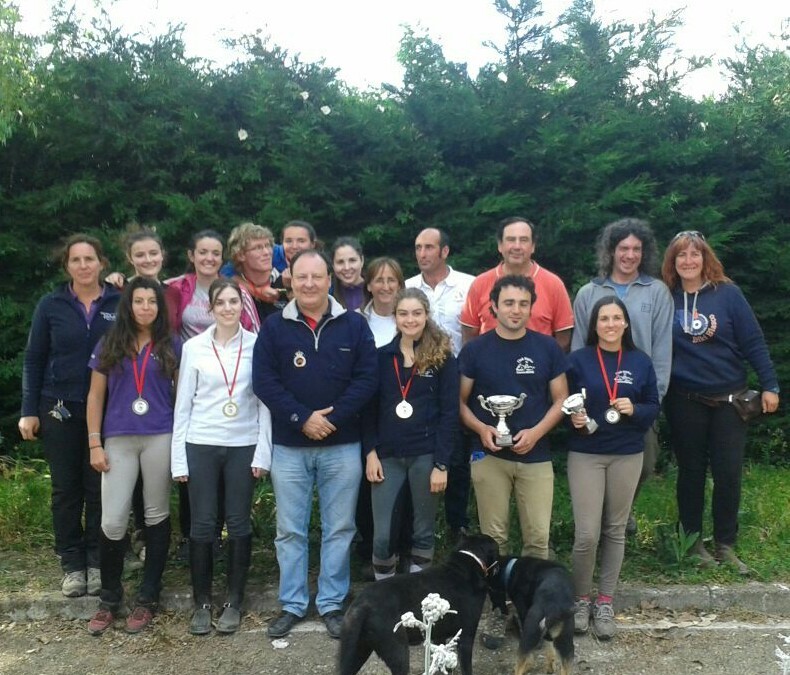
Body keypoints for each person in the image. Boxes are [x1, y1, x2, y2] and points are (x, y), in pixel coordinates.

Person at [253, 249, 378, 640]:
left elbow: (367, 379)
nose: (309, 284)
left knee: (339, 528)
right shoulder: (274, 327)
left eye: (316, 276)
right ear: (291, 279)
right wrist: (301, 418)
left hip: (343, 446)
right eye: (301, 276)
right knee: (290, 529)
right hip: (290, 446)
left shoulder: (354, 325)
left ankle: (331, 603)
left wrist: (332, 418)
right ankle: (292, 603)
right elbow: (264, 381)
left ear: (329, 280)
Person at [458, 274, 568, 648]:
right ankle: (497, 609)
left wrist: (536, 432)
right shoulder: (475, 351)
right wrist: (482, 428)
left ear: (531, 307)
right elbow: (459, 402)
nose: (516, 310)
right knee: (493, 541)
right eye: (509, 303)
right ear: (493, 307)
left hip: (535, 456)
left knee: (538, 538)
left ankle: (534, 612)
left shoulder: (547, 348)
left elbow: (561, 401)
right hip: (488, 456)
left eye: (523, 303)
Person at [661, 231, 779, 574]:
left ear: (705, 258)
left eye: (694, 254)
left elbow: (753, 341)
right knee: (691, 473)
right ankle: (692, 541)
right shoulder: (665, 297)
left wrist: (769, 385)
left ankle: (725, 544)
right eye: (681, 255)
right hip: (685, 400)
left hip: (729, 399)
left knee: (728, 474)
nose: (688, 261)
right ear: (673, 262)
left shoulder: (728, 294)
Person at [19, 234, 120, 598]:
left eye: (89, 259)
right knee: (65, 490)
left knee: (99, 488)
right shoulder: (51, 304)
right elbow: (34, 358)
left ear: (101, 263)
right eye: (75, 260)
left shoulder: (117, 302)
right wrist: (29, 410)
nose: (83, 266)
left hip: (108, 409)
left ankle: (96, 559)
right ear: (67, 266)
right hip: (58, 407)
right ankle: (72, 564)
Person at [172, 279, 272, 635]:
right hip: (201, 442)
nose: (228, 308)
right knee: (202, 524)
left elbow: (265, 404)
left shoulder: (258, 346)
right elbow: (183, 404)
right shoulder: (194, 347)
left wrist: (263, 451)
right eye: (221, 302)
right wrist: (178, 460)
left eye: (234, 302)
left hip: (242, 443)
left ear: (242, 307)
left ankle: (233, 601)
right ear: (210, 308)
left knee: (239, 522)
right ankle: (201, 602)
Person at [85, 277, 181, 635]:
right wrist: (95, 442)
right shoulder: (110, 343)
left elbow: (182, 396)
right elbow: (95, 397)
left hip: (159, 435)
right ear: (128, 305)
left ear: (160, 307)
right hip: (119, 438)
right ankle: (109, 598)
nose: (145, 307)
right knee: (112, 520)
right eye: (138, 300)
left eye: (151, 301)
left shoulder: (173, 345)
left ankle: (147, 597)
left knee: (156, 515)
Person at [567, 295, 659, 640]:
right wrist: (573, 420)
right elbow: (562, 406)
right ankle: (580, 600)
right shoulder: (578, 361)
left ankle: (604, 602)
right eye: (603, 318)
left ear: (625, 323)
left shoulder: (640, 361)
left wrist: (634, 409)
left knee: (615, 530)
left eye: (616, 318)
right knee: (587, 534)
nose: (609, 324)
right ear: (594, 325)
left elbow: (653, 406)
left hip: (627, 453)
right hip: (586, 453)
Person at [571, 218, 673, 534]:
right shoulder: (589, 293)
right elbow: (577, 349)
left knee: (644, 464)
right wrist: (578, 403)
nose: (629, 255)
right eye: (623, 248)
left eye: (636, 249)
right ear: (611, 251)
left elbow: (662, 350)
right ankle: (597, 522)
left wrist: (651, 401)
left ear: (644, 253)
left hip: (637, 398)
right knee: (593, 464)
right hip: (594, 396)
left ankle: (618, 514)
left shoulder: (657, 292)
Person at [364, 288, 459, 579]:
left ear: (426, 315)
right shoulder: (381, 358)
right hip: (387, 456)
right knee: (382, 535)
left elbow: (449, 414)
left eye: (416, 313)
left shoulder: (441, 358)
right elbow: (368, 410)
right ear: (394, 317)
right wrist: (370, 453)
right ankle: (384, 592)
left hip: (426, 455)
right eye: (403, 313)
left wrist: (441, 464)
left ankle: (419, 592)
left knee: (423, 530)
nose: (410, 319)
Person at [405, 227, 475, 542]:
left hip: (457, 378)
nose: (422, 253)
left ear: (444, 251)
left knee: (456, 454)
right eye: (418, 247)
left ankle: (457, 524)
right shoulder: (406, 287)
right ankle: (415, 528)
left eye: (429, 247)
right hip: (414, 382)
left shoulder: (468, 285)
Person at [460, 217, 574, 351]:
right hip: (490, 368)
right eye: (511, 240)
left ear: (533, 246)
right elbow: (469, 333)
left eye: (524, 240)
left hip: (537, 368)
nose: (517, 246)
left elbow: (564, 337)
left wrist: (545, 362)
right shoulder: (480, 283)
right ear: (500, 245)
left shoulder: (553, 284)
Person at [165, 229, 259, 339]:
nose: (209, 258)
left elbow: (255, 335)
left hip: (230, 354)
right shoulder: (177, 288)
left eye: (216, 254)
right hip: (189, 355)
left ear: (221, 259)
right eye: (203, 252)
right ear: (191, 256)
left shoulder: (239, 292)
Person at [227, 221, 283, 323]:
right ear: (240, 255)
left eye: (268, 246)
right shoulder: (232, 291)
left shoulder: (286, 282)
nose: (266, 252)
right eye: (258, 248)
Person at [360, 257, 404, 347]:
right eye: (379, 280)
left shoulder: (410, 320)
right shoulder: (356, 319)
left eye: (391, 280)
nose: (386, 287)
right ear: (369, 286)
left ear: (399, 285)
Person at [331, 236, 368, 311]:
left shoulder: (375, 291)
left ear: (362, 261)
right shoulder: (327, 294)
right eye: (340, 262)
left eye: (352, 260)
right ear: (333, 265)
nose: (347, 267)